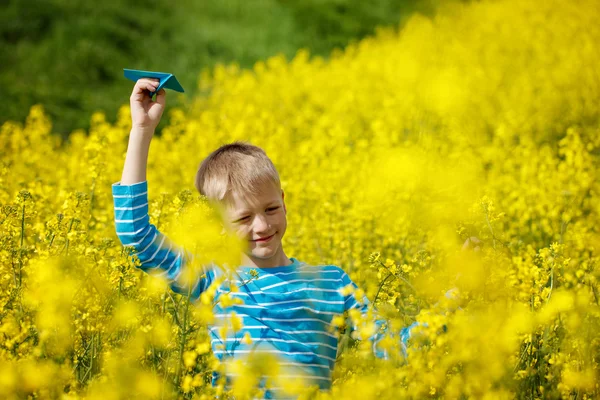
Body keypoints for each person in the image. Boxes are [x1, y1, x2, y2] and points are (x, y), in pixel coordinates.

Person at [113, 79, 418, 398]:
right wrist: (142, 130)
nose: (262, 226)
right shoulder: (214, 281)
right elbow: (137, 237)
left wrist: (455, 298)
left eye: (271, 209)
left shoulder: (331, 283)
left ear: (284, 201)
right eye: (244, 218)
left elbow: (394, 350)